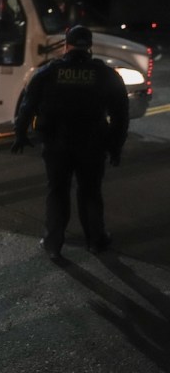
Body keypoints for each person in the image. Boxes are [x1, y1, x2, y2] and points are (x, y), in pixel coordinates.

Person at [11, 25, 129, 261]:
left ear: (66, 45)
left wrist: (21, 134)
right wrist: (115, 147)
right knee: (90, 192)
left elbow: (27, 106)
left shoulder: (47, 72)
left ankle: (53, 243)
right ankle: (96, 241)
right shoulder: (106, 75)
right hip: (92, 144)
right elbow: (120, 116)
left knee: (57, 191)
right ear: (90, 47)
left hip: (57, 145)